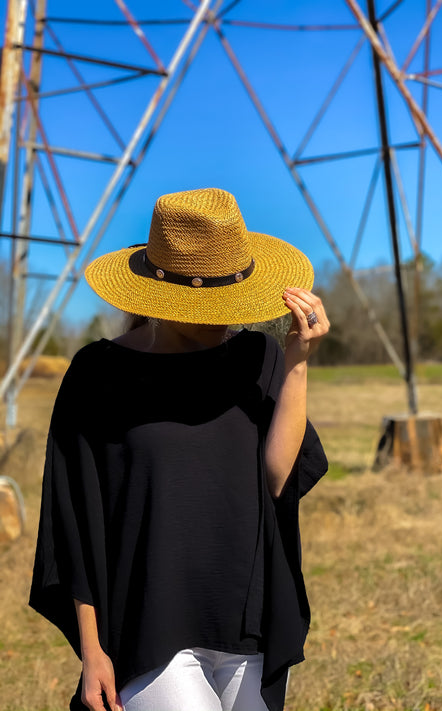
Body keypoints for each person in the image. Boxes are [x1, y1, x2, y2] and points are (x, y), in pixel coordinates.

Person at [29, 188, 329, 711]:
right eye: (205, 305)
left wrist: (298, 361)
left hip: (249, 619)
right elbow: (74, 521)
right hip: (147, 623)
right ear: (159, 297)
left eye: (228, 304)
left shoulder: (260, 357)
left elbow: (279, 479)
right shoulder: (97, 375)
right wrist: (92, 649)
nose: (221, 319)